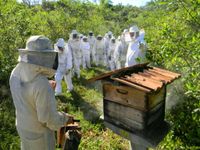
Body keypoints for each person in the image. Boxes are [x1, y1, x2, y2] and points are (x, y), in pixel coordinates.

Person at [9, 35, 74, 150]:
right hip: (39, 135)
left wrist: (45, 88)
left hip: (22, 126)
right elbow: (49, 120)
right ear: (45, 56)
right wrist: (65, 118)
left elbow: (27, 92)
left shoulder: (16, 71)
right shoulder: (41, 84)